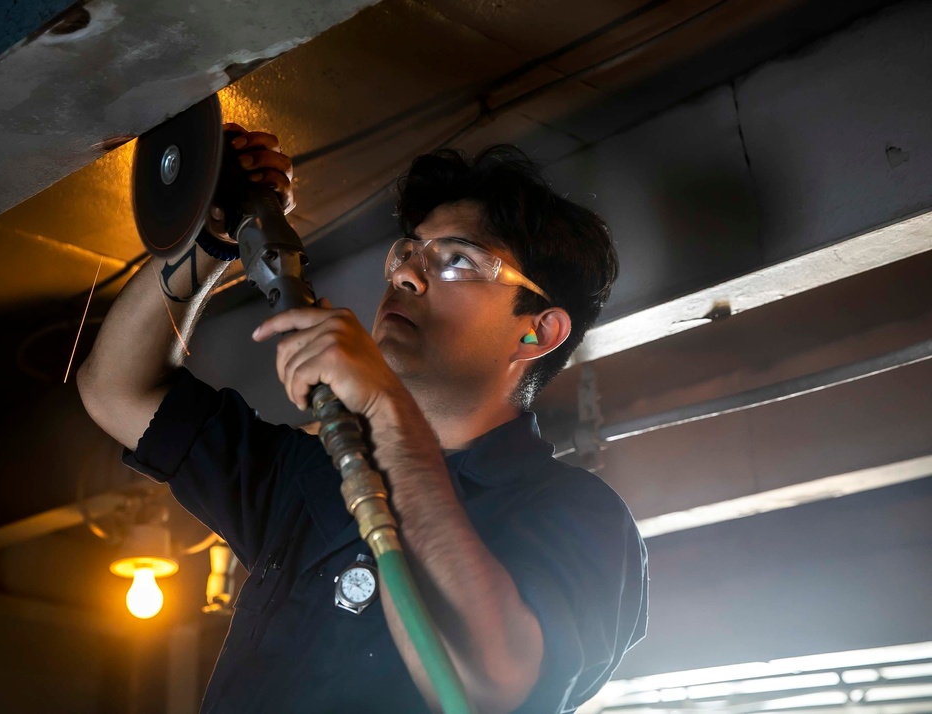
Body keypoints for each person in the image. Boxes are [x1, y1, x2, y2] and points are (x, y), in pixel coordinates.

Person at [77, 124, 649, 714]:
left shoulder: (580, 517)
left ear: (537, 330)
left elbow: (483, 687)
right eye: (409, 250)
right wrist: (210, 241)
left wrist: (385, 408)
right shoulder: (314, 476)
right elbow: (115, 389)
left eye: (456, 259)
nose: (405, 273)